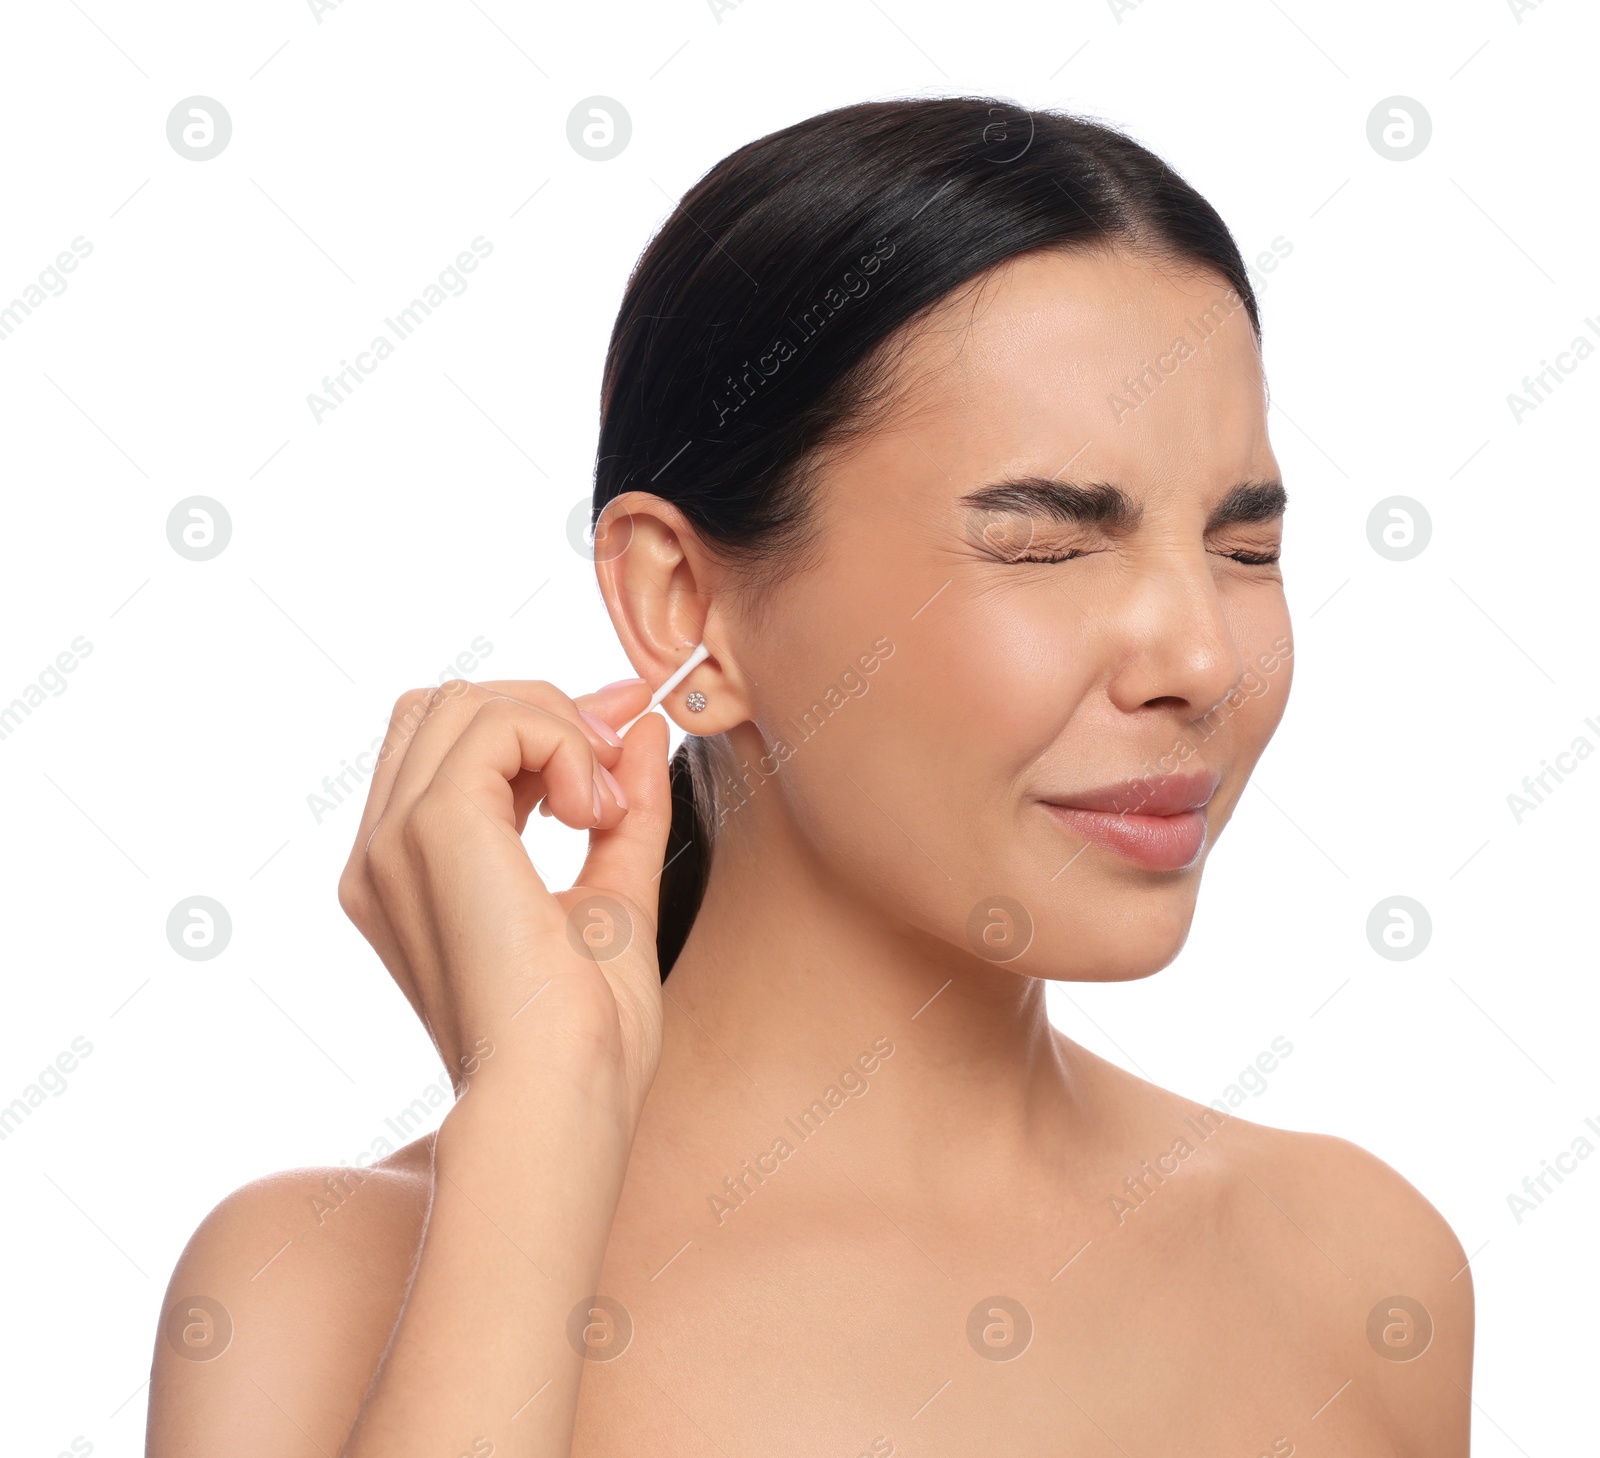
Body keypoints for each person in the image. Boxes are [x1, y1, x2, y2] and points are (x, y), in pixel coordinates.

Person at [147, 96, 1472, 1456]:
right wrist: (537, 1124)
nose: (1203, 655)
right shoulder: (306, 1292)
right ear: (683, 607)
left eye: (1245, 552)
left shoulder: (1352, 1270)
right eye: (1046, 546)